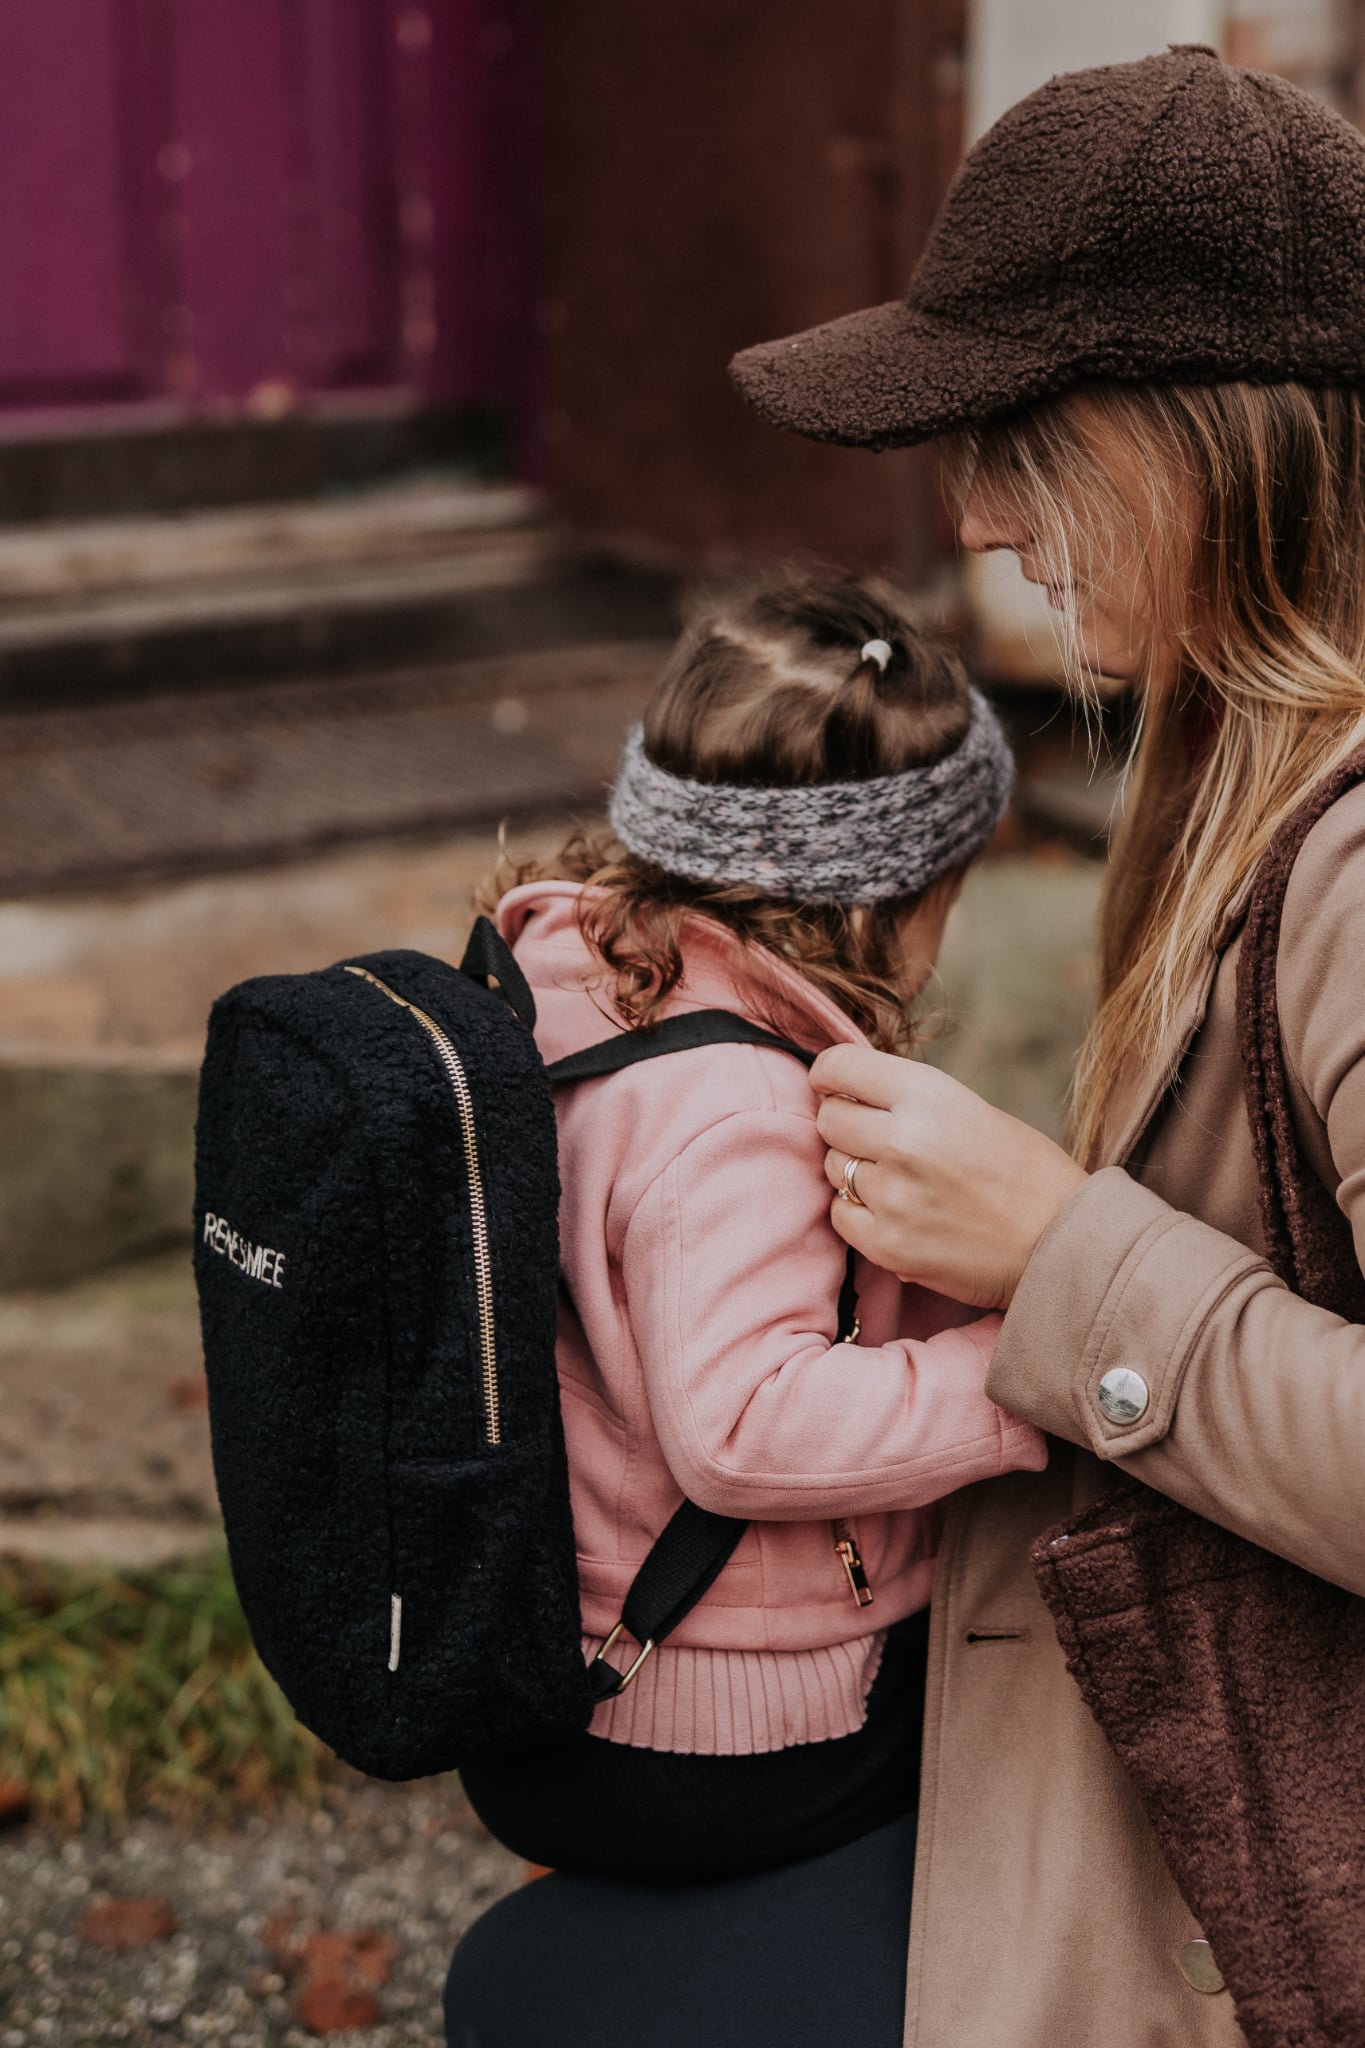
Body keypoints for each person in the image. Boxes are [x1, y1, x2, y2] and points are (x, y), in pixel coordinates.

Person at [727, 38, 1365, 2048]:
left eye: (1019, 434)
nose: (982, 516)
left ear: (1199, 437)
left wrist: (1054, 1247)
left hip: (1231, 1907)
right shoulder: (1223, 774)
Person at [443, 573, 1045, 2044]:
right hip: (717, 1731)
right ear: (878, 896)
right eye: (944, 901)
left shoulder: (572, 982)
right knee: (1041, 1709)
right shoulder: (736, 1112)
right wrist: (1024, 1370)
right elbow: (741, 1429)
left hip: (557, 1672)